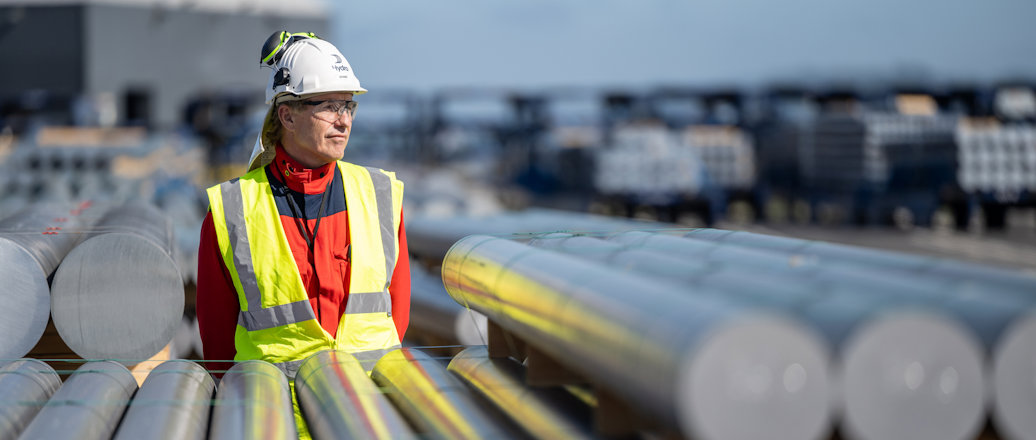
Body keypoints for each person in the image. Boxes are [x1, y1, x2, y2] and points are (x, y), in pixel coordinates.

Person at [196, 31, 410, 437]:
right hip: (275, 423)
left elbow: (396, 314)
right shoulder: (233, 209)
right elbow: (218, 342)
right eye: (328, 106)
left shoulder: (380, 195)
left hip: (367, 419)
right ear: (287, 116)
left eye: (349, 105)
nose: (344, 119)